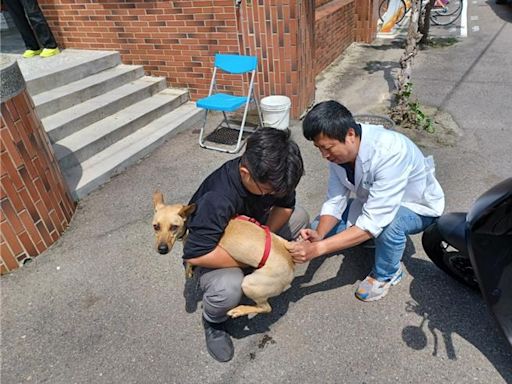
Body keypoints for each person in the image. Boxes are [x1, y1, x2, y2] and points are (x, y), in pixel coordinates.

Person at [287, 100, 445, 302]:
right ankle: (369, 240)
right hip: (373, 203)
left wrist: (317, 249)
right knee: (319, 226)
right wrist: (319, 235)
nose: (324, 155)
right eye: (319, 148)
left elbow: (374, 221)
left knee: (389, 226)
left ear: (350, 135)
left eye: (327, 148)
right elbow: (335, 200)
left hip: (415, 208)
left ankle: (386, 273)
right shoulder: (339, 155)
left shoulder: (390, 151)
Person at [184, 127, 308, 362]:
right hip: (213, 249)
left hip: (248, 233)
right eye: (270, 191)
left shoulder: (273, 176)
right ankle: (214, 321)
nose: (275, 194)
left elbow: (286, 207)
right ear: (245, 173)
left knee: (300, 216)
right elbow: (195, 254)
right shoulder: (217, 199)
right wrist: (258, 256)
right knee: (229, 286)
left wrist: (263, 240)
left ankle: (258, 271)